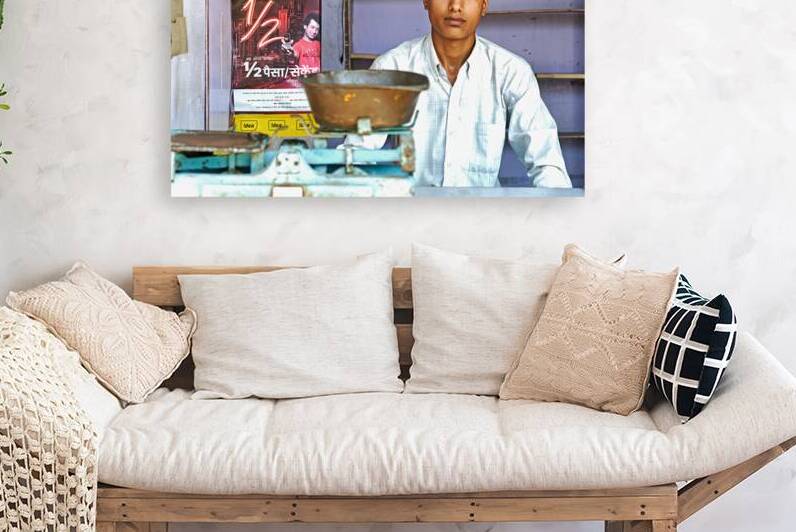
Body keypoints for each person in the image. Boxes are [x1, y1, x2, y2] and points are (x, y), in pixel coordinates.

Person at [348, 0, 571, 188]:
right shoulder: (393, 68)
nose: (455, 6)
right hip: (410, 217)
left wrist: (550, 220)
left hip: (484, 222)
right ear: (426, 1)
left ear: (484, 4)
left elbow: (547, 163)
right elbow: (357, 154)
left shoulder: (510, 71)